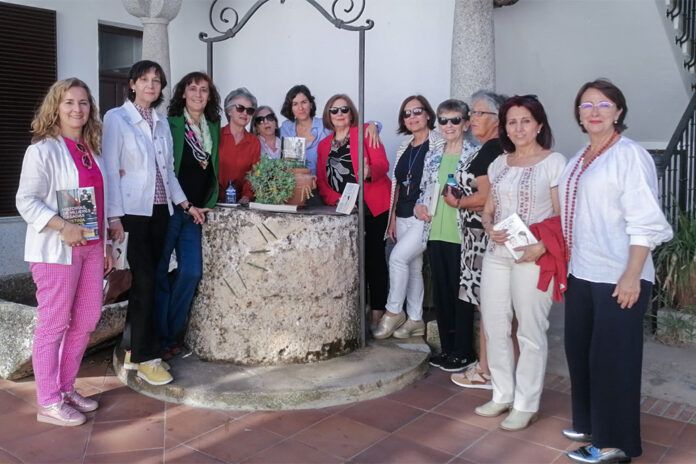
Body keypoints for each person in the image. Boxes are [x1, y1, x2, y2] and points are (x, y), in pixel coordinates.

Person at [562, 80, 672, 463]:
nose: (594, 111)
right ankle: (592, 421)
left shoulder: (629, 155)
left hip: (618, 273)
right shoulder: (580, 157)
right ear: (578, 113)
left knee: (613, 361)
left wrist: (632, 274)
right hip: (583, 271)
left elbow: (644, 221)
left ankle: (614, 443)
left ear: (619, 112)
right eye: (587, 105)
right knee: (580, 352)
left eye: (604, 105)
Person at [16, 78, 113, 426]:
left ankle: (66, 388)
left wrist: (109, 239)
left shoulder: (91, 150)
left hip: (90, 248)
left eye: (84, 103)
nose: (77, 109)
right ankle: (48, 402)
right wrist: (61, 226)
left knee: (85, 321)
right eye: (69, 102)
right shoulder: (42, 150)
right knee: (53, 325)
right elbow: (25, 201)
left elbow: (101, 199)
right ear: (55, 107)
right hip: (56, 251)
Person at [103, 60, 205, 386]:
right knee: (145, 280)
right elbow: (110, 170)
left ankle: (134, 352)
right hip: (132, 213)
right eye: (144, 79)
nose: (151, 85)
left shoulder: (160, 123)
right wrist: (114, 217)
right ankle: (148, 357)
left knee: (147, 282)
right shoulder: (116, 119)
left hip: (162, 212)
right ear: (132, 84)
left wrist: (186, 204)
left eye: (156, 80)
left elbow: (168, 173)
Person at [475, 95, 566, 431]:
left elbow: (562, 215)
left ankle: (526, 403)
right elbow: (488, 210)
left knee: (530, 331)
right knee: (495, 326)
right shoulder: (499, 164)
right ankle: (502, 393)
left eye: (525, 120)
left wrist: (541, 247)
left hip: (533, 259)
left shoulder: (554, 162)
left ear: (539, 125)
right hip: (497, 257)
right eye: (512, 122)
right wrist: (490, 229)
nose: (518, 128)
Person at [154, 71, 221, 360]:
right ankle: (159, 337)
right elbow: (165, 170)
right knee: (158, 273)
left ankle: (171, 333)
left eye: (203, 90)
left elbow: (216, 168)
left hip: (195, 212)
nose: (197, 94)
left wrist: (210, 201)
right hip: (171, 209)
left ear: (209, 96)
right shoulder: (170, 125)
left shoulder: (214, 129)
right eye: (192, 89)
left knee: (191, 272)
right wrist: (184, 205)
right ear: (183, 93)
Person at [414, 99, 480, 372]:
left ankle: (465, 352)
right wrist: (420, 205)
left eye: (455, 120)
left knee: (461, 294)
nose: (449, 126)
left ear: (465, 123)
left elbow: (482, 194)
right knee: (441, 293)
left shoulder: (476, 154)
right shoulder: (434, 153)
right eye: (443, 120)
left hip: (463, 234)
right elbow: (424, 189)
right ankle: (448, 349)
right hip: (436, 231)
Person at [316, 94, 391, 328]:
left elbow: (382, 164)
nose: (339, 114)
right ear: (328, 115)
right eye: (334, 110)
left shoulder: (365, 134)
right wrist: (339, 200)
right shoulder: (323, 145)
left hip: (373, 206)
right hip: (346, 209)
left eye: (344, 110)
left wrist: (369, 172)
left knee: (375, 259)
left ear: (351, 113)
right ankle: (358, 309)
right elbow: (322, 181)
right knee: (352, 261)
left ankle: (378, 311)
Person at [374, 95, 444, 339]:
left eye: (417, 112)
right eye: (407, 113)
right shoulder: (405, 146)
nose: (412, 117)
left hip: (425, 216)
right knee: (412, 267)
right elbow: (399, 185)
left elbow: (441, 179)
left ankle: (393, 312)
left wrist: (429, 206)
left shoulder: (439, 142)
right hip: (402, 214)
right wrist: (392, 216)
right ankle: (415, 319)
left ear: (427, 114)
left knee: (397, 259)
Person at [450, 90, 507, 390]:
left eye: (479, 113)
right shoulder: (487, 148)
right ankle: (487, 366)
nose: (472, 118)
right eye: (471, 113)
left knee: (488, 304)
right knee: (487, 304)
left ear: (497, 119)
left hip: (482, 236)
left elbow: (486, 197)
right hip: (475, 234)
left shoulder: (491, 150)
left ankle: (487, 371)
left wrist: (457, 203)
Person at [279, 84, 380, 176]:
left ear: (311, 104)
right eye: (295, 104)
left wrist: (373, 124)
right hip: (297, 185)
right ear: (290, 107)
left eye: (304, 102)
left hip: (325, 182)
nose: (300, 108)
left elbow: (351, 127)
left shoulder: (325, 124)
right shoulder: (286, 128)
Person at [218, 87, 261, 205]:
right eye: (240, 108)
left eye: (250, 110)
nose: (245, 113)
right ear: (229, 111)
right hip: (214, 201)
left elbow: (254, 174)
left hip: (241, 203)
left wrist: (247, 196)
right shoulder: (216, 135)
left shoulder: (254, 142)